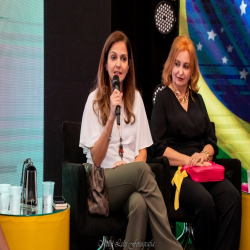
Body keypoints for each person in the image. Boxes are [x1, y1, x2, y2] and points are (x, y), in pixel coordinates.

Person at [79, 31, 182, 250]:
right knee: (143, 171)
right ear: (105, 63)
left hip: (130, 178)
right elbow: (95, 160)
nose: (118, 64)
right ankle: (171, 247)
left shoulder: (136, 100)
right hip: (102, 184)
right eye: (113, 57)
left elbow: (143, 152)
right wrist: (110, 117)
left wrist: (129, 167)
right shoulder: (94, 101)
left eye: (123, 59)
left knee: (139, 205)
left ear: (129, 66)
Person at [150, 35, 241, 250]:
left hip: (202, 169)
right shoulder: (162, 98)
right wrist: (189, 160)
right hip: (177, 173)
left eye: (186, 66)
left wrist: (205, 155)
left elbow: (211, 141)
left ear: (192, 71)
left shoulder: (197, 100)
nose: (180, 71)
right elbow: (159, 149)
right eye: (177, 64)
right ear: (170, 64)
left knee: (232, 198)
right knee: (205, 203)